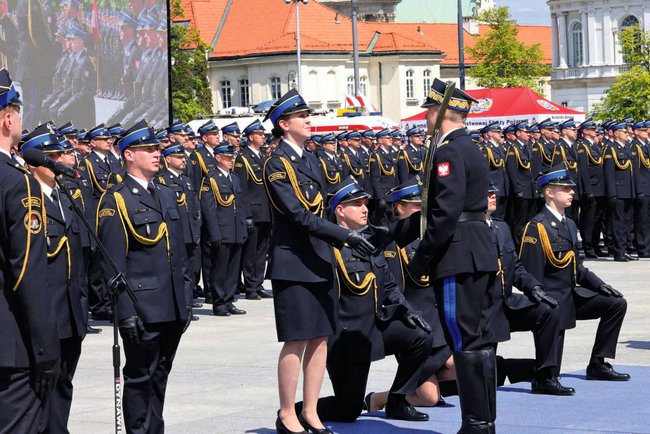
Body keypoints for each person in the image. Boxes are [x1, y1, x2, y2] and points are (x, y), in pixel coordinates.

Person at [262, 89, 375, 434]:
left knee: (321, 338)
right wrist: (344, 236)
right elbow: (297, 214)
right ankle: (287, 413)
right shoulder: (276, 163)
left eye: (308, 115)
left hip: (319, 256)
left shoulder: (311, 159)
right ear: (284, 124)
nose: (309, 121)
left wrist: (354, 229)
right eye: (302, 117)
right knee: (296, 339)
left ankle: (310, 411)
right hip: (293, 261)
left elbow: (325, 204)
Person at [397, 78, 499, 433]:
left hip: (458, 255)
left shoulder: (448, 151)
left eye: (429, 111)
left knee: (465, 341)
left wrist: (420, 260)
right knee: (480, 342)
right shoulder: (469, 147)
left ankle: (475, 424)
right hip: (479, 251)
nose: (425, 118)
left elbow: (443, 214)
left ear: (441, 114)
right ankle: (484, 423)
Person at [299, 178, 433, 424]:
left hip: (375, 328)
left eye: (365, 204)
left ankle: (397, 401)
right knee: (347, 410)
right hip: (347, 337)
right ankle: (295, 411)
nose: (365, 209)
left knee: (420, 335)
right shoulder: (326, 246)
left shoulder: (372, 239)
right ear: (340, 210)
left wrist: (406, 310)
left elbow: (389, 285)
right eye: (357, 204)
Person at [96, 119, 193, 433]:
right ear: (128, 155)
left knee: (160, 375)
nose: (156, 154)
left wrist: (186, 299)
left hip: (172, 305)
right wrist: (124, 313)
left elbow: (180, 254)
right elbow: (112, 264)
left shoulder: (167, 194)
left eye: (156, 148)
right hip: (142, 307)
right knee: (139, 377)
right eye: (147, 149)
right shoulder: (117, 199)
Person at [519, 165, 630, 387]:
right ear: (549, 192)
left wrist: (600, 285)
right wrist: (544, 305)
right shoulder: (537, 227)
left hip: (570, 296)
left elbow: (577, 269)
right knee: (551, 373)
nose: (571, 192)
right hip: (552, 301)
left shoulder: (569, 223)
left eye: (571, 188)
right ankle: (538, 376)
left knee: (616, 303)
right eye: (565, 188)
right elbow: (531, 274)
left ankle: (598, 364)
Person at [0, 69, 60, 433]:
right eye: (19, 113)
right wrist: (45, 349)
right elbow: (27, 271)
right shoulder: (16, 181)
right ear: (7, 118)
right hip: (11, 343)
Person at [23, 126, 88, 431]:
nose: (65, 159)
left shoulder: (65, 197)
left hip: (71, 315)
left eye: (63, 153)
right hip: (47, 316)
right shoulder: (30, 201)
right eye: (56, 155)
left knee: (64, 387)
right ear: (39, 162)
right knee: (42, 392)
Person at [370, 178, 455, 411]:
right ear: (400, 208)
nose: (421, 212)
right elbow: (394, 290)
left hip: (439, 323)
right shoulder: (392, 243)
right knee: (429, 399)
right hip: (416, 323)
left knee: (461, 365)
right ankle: (377, 399)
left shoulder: (430, 237)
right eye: (417, 207)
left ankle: (425, 381)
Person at [482, 183, 571, 395]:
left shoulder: (501, 227)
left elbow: (516, 266)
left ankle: (544, 376)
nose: (494, 196)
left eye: (494, 192)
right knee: (484, 381)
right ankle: (506, 367)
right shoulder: (467, 230)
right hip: (483, 309)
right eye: (487, 193)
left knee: (548, 310)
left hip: (506, 302)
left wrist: (535, 288)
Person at [200, 142, 251, 316]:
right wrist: (214, 234)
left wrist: (243, 228)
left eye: (232, 157)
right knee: (219, 269)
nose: (231, 160)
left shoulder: (234, 178)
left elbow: (240, 205)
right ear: (218, 157)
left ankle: (229, 300)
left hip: (236, 230)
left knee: (232, 269)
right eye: (227, 157)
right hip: (221, 231)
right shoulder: (211, 179)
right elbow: (208, 209)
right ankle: (219, 302)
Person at [234, 120, 274, 300]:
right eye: (260, 134)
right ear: (251, 137)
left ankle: (258, 284)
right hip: (253, 211)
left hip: (265, 211)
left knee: (261, 251)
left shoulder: (263, 157)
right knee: (251, 252)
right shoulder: (243, 159)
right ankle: (250, 286)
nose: (263, 137)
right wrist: (246, 215)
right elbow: (241, 189)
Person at [603, 121, 637, 262]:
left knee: (627, 223)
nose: (627, 134)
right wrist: (612, 193)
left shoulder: (627, 149)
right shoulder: (611, 149)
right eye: (624, 132)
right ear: (616, 134)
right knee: (618, 223)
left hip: (628, 191)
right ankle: (619, 252)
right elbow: (609, 173)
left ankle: (624, 249)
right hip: (618, 191)